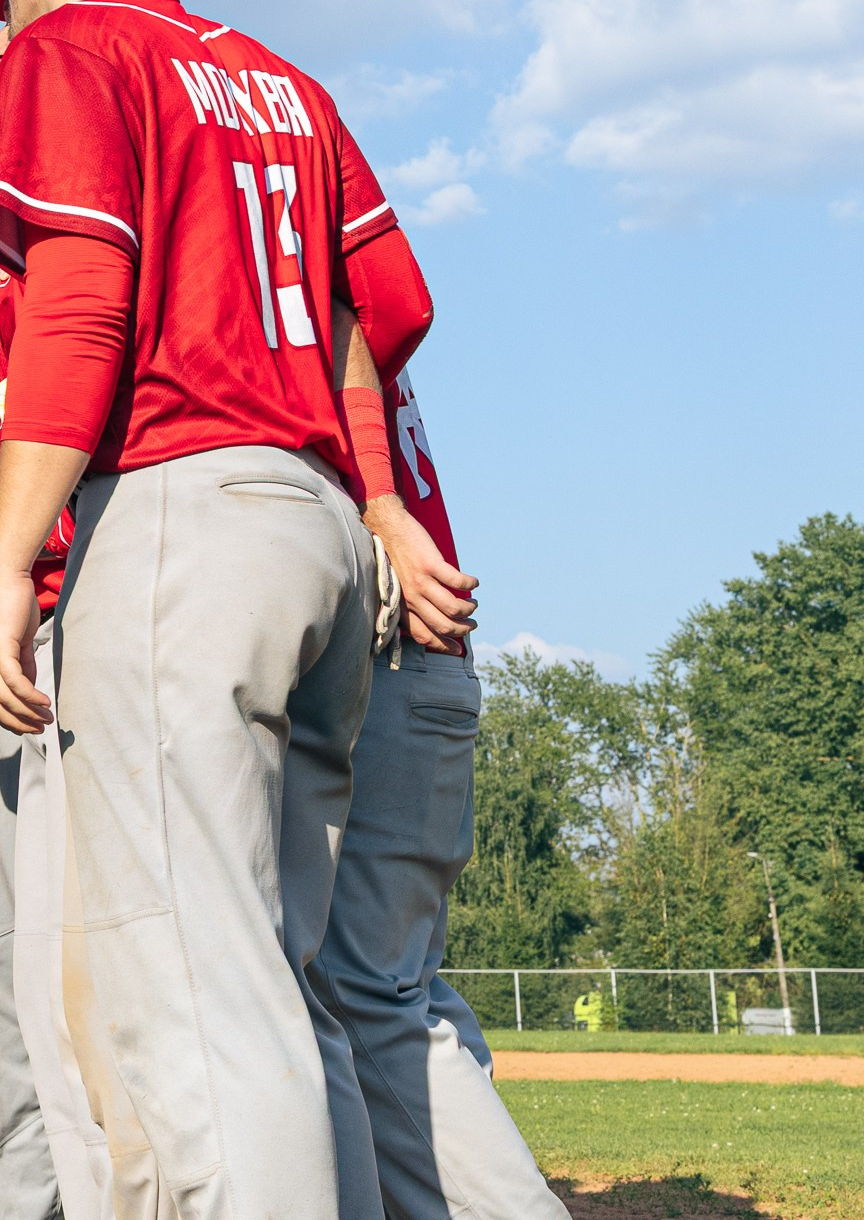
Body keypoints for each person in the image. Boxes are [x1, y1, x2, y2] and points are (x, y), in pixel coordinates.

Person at [0, 0, 432, 1217]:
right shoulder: (285, 79)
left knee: (195, 996)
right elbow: (388, 311)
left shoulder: (73, 47)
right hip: (314, 518)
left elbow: (81, 305)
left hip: (180, 512)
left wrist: (6, 560)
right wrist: (373, 495)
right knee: (275, 977)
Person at [314, 313, 566, 1219]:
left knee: (366, 989)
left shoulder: (300, 317)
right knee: (400, 986)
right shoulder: (332, 328)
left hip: (392, 662)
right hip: (421, 670)